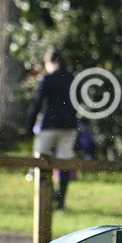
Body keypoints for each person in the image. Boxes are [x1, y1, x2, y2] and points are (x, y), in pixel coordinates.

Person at [26, 50, 77, 209]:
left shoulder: (48, 79)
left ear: (50, 62)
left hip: (50, 125)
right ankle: (61, 199)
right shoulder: (72, 79)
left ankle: (50, 194)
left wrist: (29, 125)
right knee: (64, 162)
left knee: (40, 160)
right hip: (69, 126)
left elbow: (38, 103)